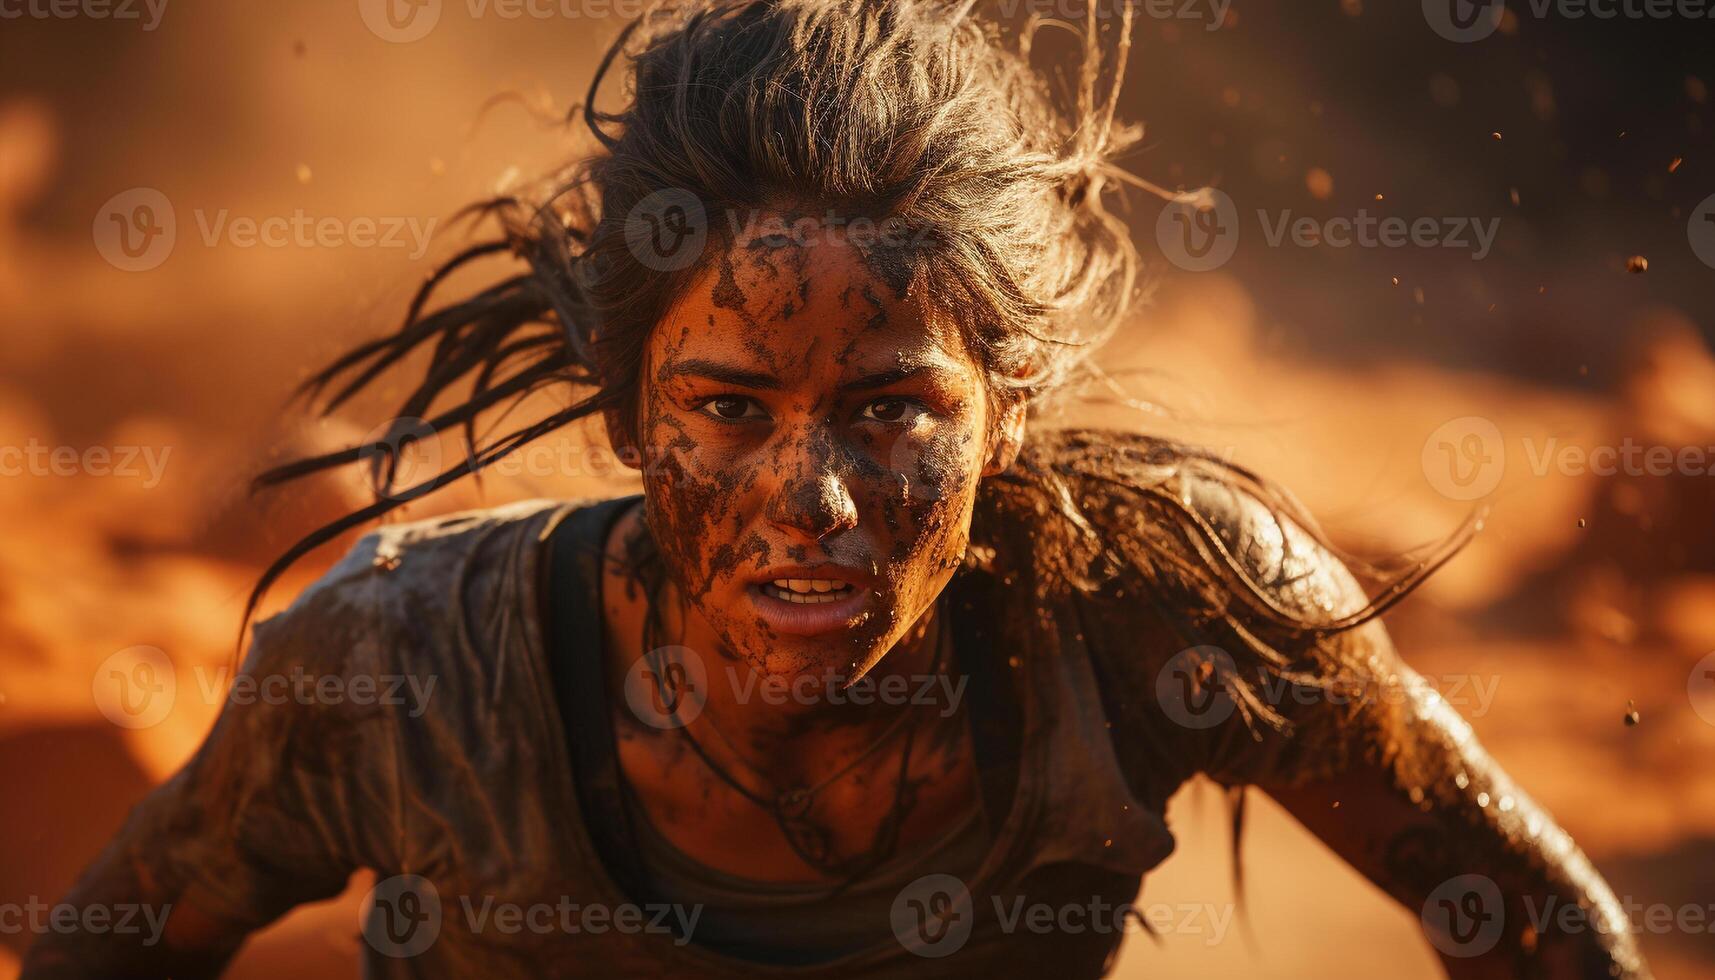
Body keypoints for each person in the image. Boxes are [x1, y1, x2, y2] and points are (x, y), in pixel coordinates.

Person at [24, 0, 1648, 975]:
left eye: (890, 410)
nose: (811, 495)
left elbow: (1541, 932)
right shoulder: (403, 682)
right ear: (626, 414)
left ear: (1007, 418)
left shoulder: (1158, 618)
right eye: (728, 406)